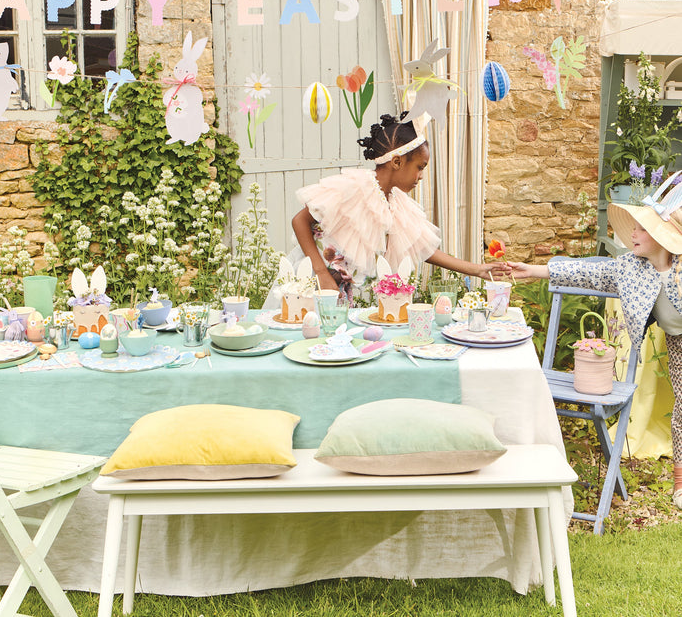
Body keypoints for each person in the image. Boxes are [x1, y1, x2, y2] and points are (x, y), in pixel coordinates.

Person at [509, 174, 682, 510]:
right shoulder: (631, 268)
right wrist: (534, 269)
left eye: (641, 229)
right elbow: (588, 271)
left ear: (662, 238)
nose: (632, 233)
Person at [289, 111, 507, 299]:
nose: (420, 176)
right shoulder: (353, 187)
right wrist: (320, 272)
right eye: (419, 167)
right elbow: (300, 221)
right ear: (397, 162)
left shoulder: (395, 202)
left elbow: (424, 249)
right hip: (309, 281)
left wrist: (478, 270)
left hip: (337, 292)